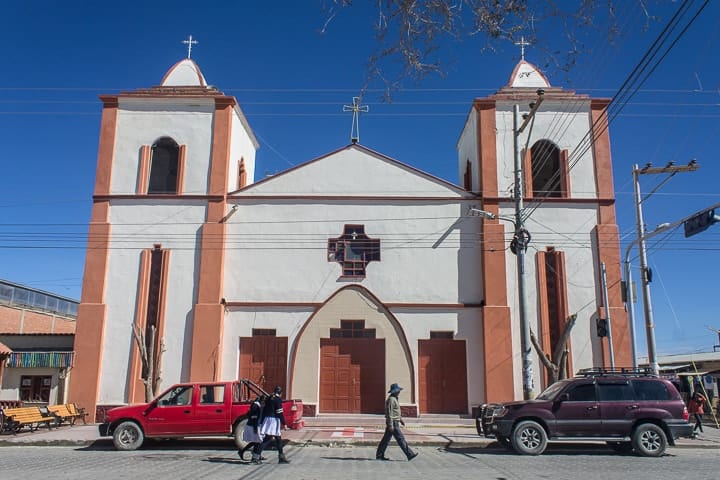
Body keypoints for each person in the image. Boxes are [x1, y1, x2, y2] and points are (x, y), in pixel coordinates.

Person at [376, 383, 418, 461]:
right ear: (394, 391)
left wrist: (401, 419)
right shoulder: (391, 400)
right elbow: (390, 413)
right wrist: (390, 424)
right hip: (393, 423)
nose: (399, 392)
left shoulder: (395, 399)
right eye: (398, 391)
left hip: (395, 421)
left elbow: (396, 412)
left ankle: (379, 455)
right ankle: (410, 454)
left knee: (386, 439)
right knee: (400, 438)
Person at [257, 385, 290, 464]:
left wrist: (262, 421)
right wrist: (284, 423)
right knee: (267, 439)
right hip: (273, 421)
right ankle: (255, 456)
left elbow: (264, 410)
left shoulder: (269, 398)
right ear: (280, 393)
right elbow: (279, 412)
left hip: (268, 419)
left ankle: (281, 457)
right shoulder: (277, 400)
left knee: (278, 439)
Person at [238, 395, 266, 464]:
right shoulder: (256, 406)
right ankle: (254, 457)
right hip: (253, 426)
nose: (264, 404)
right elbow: (254, 418)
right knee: (258, 441)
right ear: (262, 401)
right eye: (264, 402)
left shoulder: (256, 405)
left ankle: (252, 454)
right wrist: (256, 427)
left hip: (254, 425)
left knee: (256, 441)